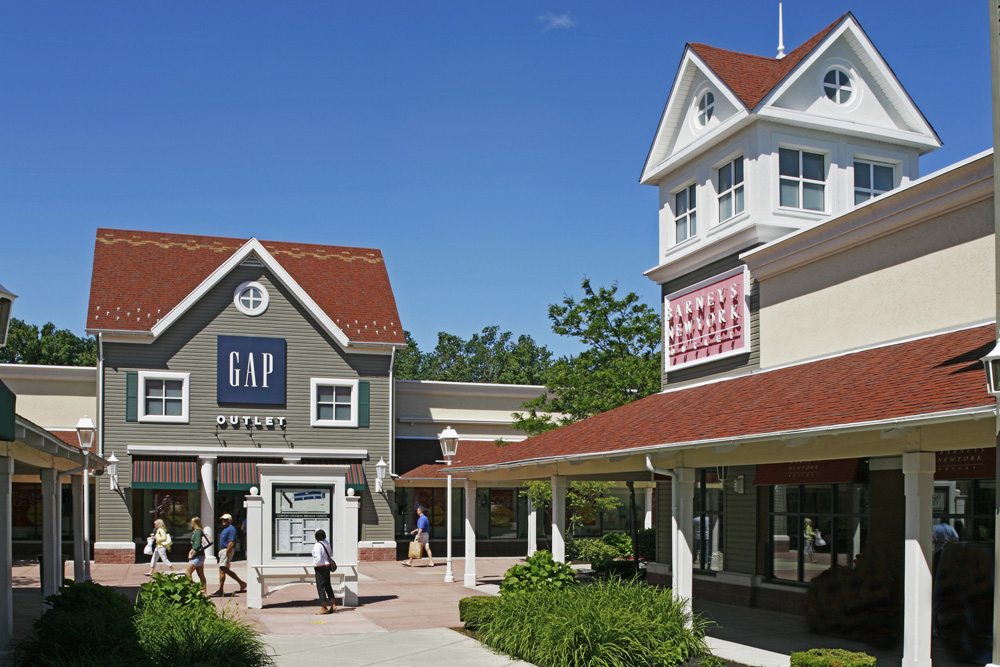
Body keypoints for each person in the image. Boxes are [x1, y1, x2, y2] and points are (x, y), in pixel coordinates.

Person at [212, 513, 246, 596]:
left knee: (222, 570)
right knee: (225, 570)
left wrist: (226, 552)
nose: (223, 521)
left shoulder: (231, 529)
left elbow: (231, 542)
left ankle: (220, 589)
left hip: (226, 550)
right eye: (222, 520)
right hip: (223, 550)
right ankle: (241, 583)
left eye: (225, 520)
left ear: (230, 520)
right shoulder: (226, 529)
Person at [312, 529, 337, 615]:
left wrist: (315, 564)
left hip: (320, 567)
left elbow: (318, 558)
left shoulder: (317, 545)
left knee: (321, 587)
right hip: (327, 567)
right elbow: (330, 554)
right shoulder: (327, 542)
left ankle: (324, 607)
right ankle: (333, 605)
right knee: (328, 586)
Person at [186, 515, 209, 588]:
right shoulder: (197, 531)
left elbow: (197, 544)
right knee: (201, 574)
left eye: (192, 522)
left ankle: (190, 589)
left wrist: (192, 554)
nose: (191, 524)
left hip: (197, 555)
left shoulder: (198, 531)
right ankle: (204, 592)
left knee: (188, 573)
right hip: (200, 555)